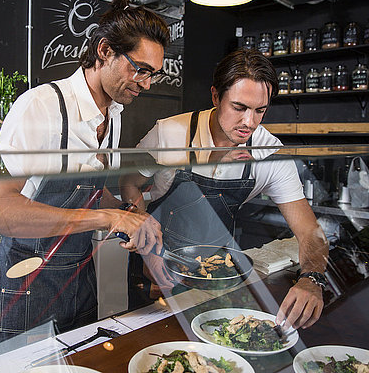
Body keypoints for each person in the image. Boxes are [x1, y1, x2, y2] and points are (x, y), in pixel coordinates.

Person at [0, 0, 168, 345]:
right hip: (27, 278)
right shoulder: (39, 106)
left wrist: (129, 212)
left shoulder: (113, 115)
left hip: (80, 274)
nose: (146, 83)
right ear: (105, 50)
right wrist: (108, 219)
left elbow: (90, 191)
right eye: (139, 68)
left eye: (152, 74)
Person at [119, 48, 329, 330]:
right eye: (239, 108)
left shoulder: (268, 152)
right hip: (156, 264)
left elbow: (309, 231)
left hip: (216, 273)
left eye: (260, 111)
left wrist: (311, 278)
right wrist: (148, 249)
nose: (249, 123)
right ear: (216, 96)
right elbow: (129, 182)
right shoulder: (169, 133)